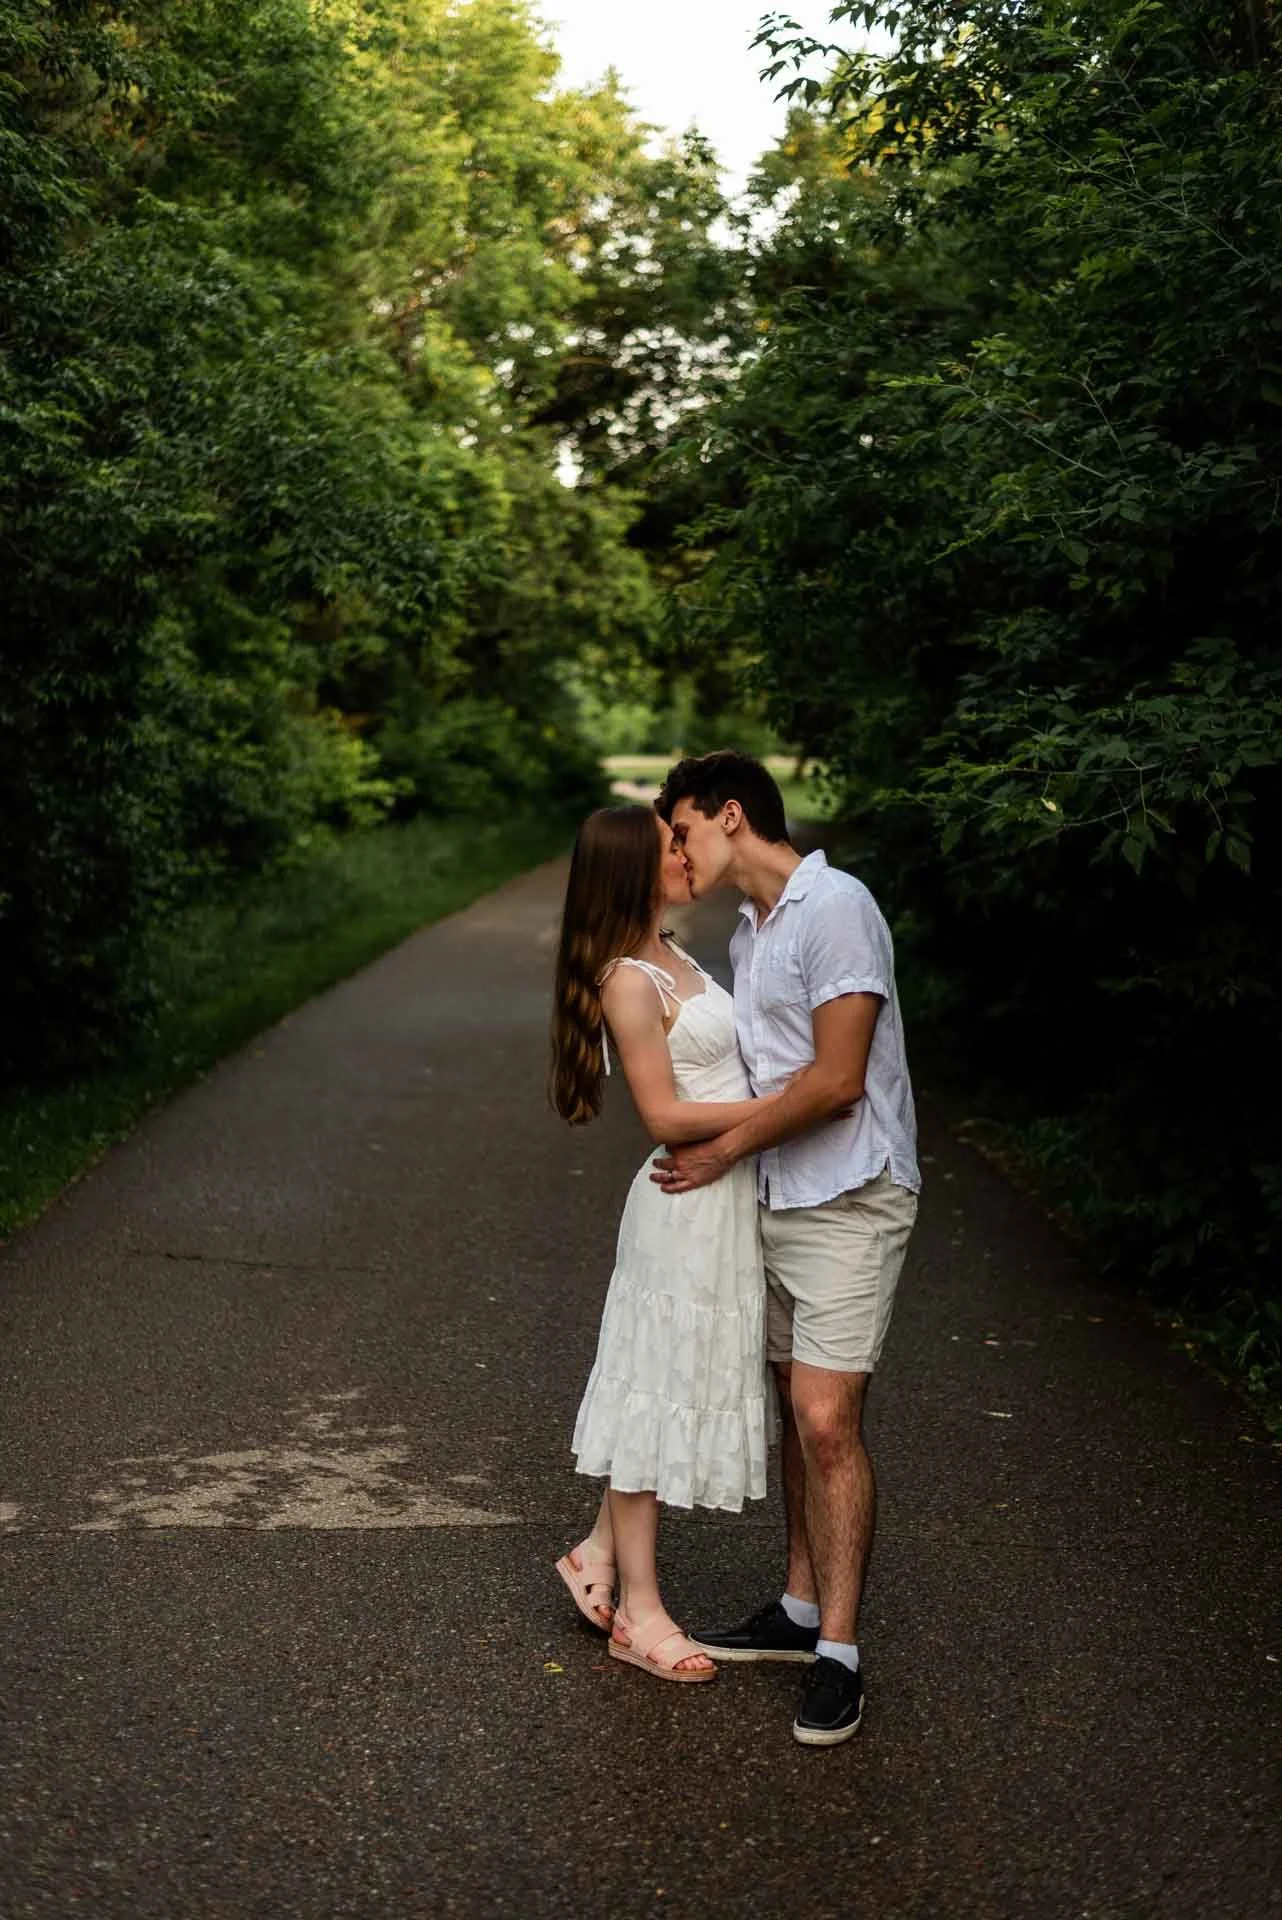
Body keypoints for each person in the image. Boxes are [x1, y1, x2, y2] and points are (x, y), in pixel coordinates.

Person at [653, 750, 920, 1748]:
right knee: (790, 1403)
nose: (676, 850)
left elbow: (835, 1080)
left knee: (822, 1418)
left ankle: (839, 1655)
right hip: (776, 1194)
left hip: (850, 1193)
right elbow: (758, 1068)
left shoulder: (834, 905)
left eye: (681, 829)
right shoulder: (749, 931)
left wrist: (718, 1148)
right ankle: (799, 1607)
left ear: (731, 815)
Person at [549, 803, 780, 1684]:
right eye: (668, 846)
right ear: (630, 871)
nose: (685, 854)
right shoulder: (626, 980)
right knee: (650, 1397)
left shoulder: (675, 954)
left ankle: (594, 1554)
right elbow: (665, 1115)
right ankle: (638, 1616)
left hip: (722, 1205)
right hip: (680, 1210)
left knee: (671, 1383)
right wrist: (789, 1106)